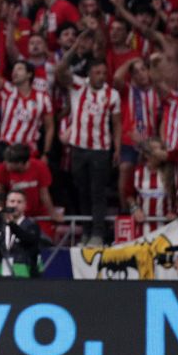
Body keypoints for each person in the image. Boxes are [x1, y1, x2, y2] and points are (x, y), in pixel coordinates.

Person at [56, 51, 121, 247]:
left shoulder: (112, 94)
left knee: (97, 192)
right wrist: (76, 46)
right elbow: (60, 70)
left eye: (103, 72)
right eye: (97, 72)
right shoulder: (77, 85)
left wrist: (117, 149)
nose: (101, 76)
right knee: (82, 191)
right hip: (79, 148)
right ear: (89, 74)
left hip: (101, 149)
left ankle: (98, 234)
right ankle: (86, 231)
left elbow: (117, 124)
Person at [0, 191, 41, 278]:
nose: (15, 205)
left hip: (24, 274)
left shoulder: (31, 225)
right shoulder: (0, 225)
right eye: (12, 201)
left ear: (25, 205)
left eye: (19, 202)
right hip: (2, 272)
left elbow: (27, 239)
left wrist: (11, 224)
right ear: (6, 203)